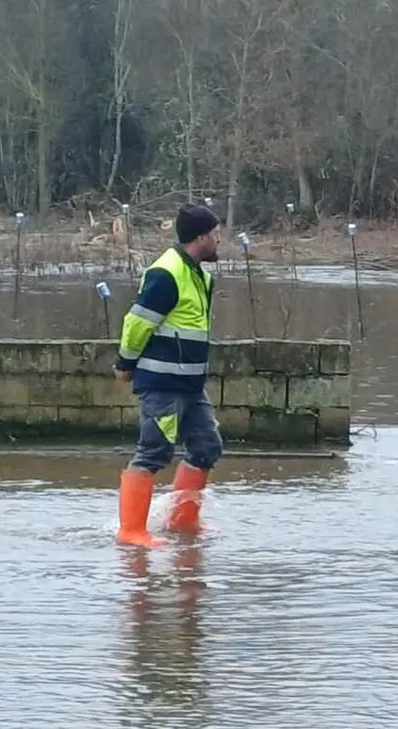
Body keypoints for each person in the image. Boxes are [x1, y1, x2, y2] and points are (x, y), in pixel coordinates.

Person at [113, 202, 224, 547]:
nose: (219, 239)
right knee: (153, 451)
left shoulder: (201, 276)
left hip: (191, 384)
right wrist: (125, 363)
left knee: (206, 447)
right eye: (216, 233)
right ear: (201, 237)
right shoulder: (167, 273)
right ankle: (131, 531)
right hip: (162, 383)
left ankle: (183, 522)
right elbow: (137, 322)